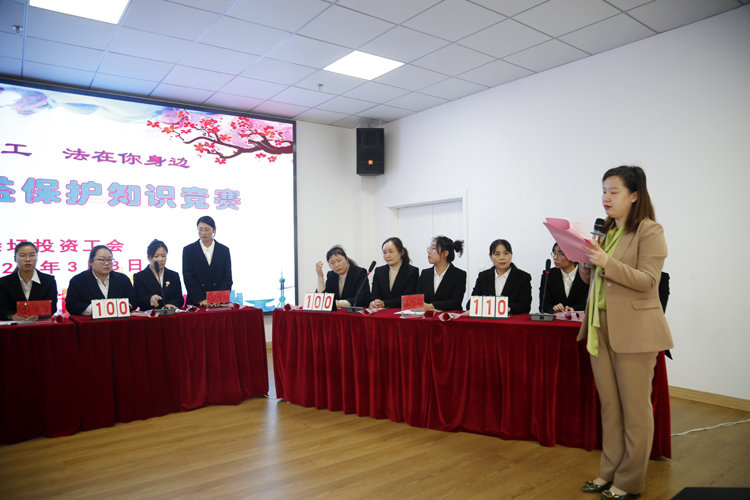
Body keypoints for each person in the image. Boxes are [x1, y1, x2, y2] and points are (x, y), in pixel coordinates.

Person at [578, 166, 673, 500]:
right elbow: (593, 280)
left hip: (634, 331)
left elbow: (648, 281)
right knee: (610, 408)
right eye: (603, 190)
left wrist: (605, 261)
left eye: (613, 191)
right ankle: (608, 472)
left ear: (634, 195)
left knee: (635, 412)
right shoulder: (606, 231)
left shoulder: (650, 230)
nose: (606, 197)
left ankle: (629, 481)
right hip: (600, 327)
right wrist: (586, 262)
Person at [65, 245, 136, 315]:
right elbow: (71, 306)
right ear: (90, 262)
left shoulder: (122, 279)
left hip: (119, 321)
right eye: (102, 260)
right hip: (91, 321)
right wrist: (99, 309)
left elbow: (133, 302)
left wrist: (119, 309)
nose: (107, 263)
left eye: (109, 260)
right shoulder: (78, 281)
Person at [466, 239, 532, 315]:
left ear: (511, 255)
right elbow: (471, 304)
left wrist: (503, 308)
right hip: (488, 320)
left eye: (506, 253)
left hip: (511, 320)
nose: (502, 258)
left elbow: (525, 306)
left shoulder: (523, 277)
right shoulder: (483, 276)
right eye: (497, 254)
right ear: (490, 257)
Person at [0, 242, 58, 321]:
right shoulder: (4, 282)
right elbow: (2, 308)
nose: (28, 259)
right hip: (13, 325)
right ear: (15, 259)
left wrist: (39, 316)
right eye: (23, 255)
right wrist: (13, 316)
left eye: (32, 255)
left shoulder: (48, 280)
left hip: (40, 325)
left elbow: (52, 307)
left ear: (37, 258)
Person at [182, 216, 232, 307]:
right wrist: (200, 298)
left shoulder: (223, 250)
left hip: (218, 302)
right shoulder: (189, 250)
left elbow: (227, 277)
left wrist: (218, 297)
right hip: (197, 302)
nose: (203, 233)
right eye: (200, 230)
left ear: (214, 230)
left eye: (207, 230)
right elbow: (188, 277)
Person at [416, 236, 466, 311]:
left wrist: (431, 306)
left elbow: (455, 302)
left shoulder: (459, 275)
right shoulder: (425, 274)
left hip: (449, 316)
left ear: (445, 253)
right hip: (426, 316)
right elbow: (417, 297)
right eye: (429, 248)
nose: (429, 251)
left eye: (433, 248)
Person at [368, 237, 419, 309]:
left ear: (401, 252)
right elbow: (375, 294)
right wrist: (374, 302)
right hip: (381, 312)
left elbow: (408, 298)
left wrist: (384, 303)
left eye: (391, 251)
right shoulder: (379, 271)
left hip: (401, 312)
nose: (387, 256)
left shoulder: (412, 271)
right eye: (384, 252)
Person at [133, 239, 184, 310]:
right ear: (148, 258)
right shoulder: (140, 277)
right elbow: (139, 300)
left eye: (163, 256)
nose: (160, 259)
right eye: (156, 256)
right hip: (151, 315)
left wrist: (171, 304)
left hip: (170, 314)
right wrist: (150, 300)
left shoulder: (173, 275)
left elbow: (179, 298)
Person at [539, 243, 589, 313]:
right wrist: (554, 309)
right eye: (554, 253)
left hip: (580, 318)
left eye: (560, 254)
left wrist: (573, 309)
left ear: (572, 255)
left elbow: (587, 303)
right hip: (556, 318)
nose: (555, 257)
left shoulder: (586, 274)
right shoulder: (548, 275)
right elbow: (544, 305)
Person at [316, 245, 369, 310]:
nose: (337, 265)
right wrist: (320, 277)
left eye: (339, 261)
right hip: (336, 313)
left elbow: (362, 298)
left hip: (353, 313)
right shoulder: (331, 275)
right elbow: (322, 298)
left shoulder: (359, 273)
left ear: (346, 259)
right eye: (332, 263)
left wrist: (338, 303)